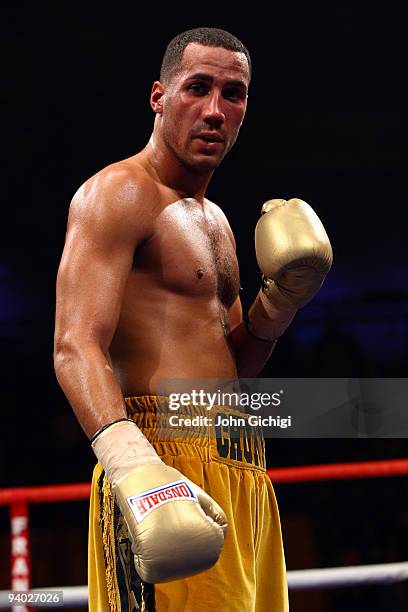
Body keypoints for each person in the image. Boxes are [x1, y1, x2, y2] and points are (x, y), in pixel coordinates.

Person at [54, 27, 332, 612]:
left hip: (242, 465)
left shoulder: (219, 222)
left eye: (234, 94)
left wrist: (278, 303)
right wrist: (134, 466)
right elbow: (75, 345)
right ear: (159, 96)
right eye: (197, 88)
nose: (215, 110)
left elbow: (234, 375)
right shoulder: (119, 192)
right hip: (162, 460)